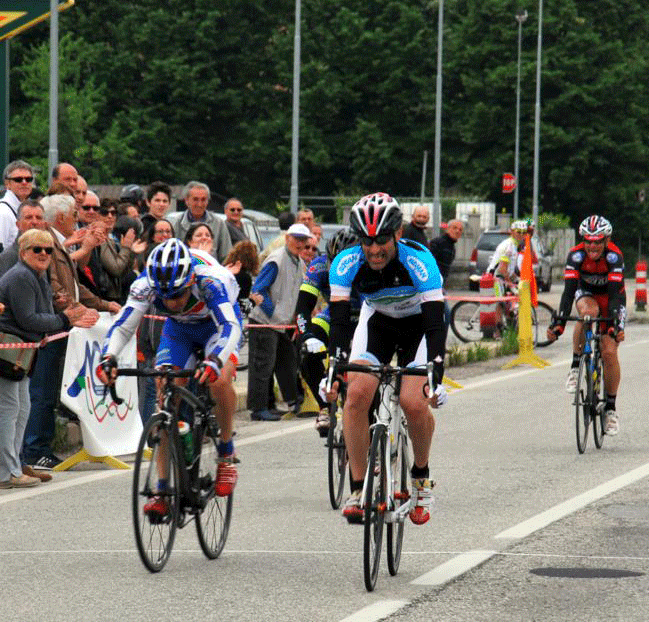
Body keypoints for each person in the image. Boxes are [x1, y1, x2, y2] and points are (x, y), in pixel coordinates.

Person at [326, 193, 446, 526]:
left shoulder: (419, 259)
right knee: (355, 397)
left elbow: (435, 321)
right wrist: (334, 365)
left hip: (420, 325)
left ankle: (421, 479)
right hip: (378, 322)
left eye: (382, 240)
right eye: (367, 241)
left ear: (397, 234)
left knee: (412, 401)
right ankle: (357, 489)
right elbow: (338, 322)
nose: (375, 249)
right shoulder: (346, 262)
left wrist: (436, 368)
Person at [98, 239, 242, 516]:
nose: (173, 303)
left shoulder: (212, 281)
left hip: (217, 327)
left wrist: (215, 360)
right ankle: (162, 488)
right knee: (164, 391)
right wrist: (109, 357)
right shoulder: (145, 285)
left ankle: (226, 451)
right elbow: (124, 325)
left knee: (219, 379)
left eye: (179, 295)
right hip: (179, 332)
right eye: (166, 297)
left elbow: (230, 327)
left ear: (190, 281)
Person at [0, 229, 94, 488]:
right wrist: (65, 319)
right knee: (10, 411)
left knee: (22, 410)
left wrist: (60, 311)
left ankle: (15, 464)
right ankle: (6, 472)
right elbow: (28, 318)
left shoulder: (38, 275)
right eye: (37, 249)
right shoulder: (21, 276)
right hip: (10, 352)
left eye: (49, 250)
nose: (44, 254)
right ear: (23, 252)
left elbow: (41, 313)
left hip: (23, 352)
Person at [547, 215, 625, 435]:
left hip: (611, 298)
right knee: (587, 314)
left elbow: (615, 296)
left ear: (606, 240)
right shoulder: (576, 255)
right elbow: (569, 291)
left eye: (597, 241)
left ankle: (610, 408)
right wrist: (559, 324)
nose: (592, 246)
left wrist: (614, 326)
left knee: (609, 353)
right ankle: (575, 366)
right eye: (588, 241)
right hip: (587, 294)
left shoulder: (614, 257)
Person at [295, 227, 359, 436]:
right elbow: (303, 306)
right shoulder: (319, 265)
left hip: (364, 316)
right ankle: (325, 406)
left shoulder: (369, 264)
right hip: (333, 316)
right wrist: (306, 335)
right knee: (307, 351)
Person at [246, 223, 310, 421]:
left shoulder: (298, 261)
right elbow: (258, 289)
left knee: (285, 362)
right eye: (296, 239)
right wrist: (273, 313)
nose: (300, 243)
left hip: (281, 323)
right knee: (262, 366)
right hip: (265, 321)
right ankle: (258, 408)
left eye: (303, 240)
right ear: (288, 238)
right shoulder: (277, 260)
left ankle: (279, 403)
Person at [170, 182, 231, 263]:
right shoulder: (176, 224)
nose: (199, 204)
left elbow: (226, 256)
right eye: (195, 199)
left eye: (203, 199)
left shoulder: (219, 224)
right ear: (186, 200)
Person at [429, 219, 464, 330]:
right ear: (448, 229)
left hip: (440, 287)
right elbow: (429, 264)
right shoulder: (437, 243)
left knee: (442, 319)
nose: (457, 231)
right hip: (431, 287)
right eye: (454, 228)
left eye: (460, 229)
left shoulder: (452, 247)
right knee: (446, 317)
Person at [0, 200, 47, 277]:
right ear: (18, 224)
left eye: (38, 218)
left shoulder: (48, 253)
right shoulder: (8, 258)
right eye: (28, 218)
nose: (34, 222)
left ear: (45, 224)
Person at [0, 160, 35, 252]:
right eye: (18, 180)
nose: (24, 182)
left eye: (28, 179)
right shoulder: (3, 212)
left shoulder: (24, 207)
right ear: (7, 184)